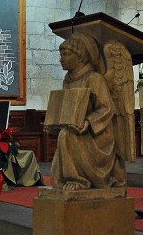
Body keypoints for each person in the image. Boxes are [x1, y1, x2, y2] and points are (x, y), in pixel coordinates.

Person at [50, 32, 126, 191]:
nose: (61, 59)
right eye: (60, 54)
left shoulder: (93, 78)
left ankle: (78, 180)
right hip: (79, 129)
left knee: (66, 135)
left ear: (80, 56)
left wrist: (88, 122)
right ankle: (67, 179)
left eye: (66, 54)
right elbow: (68, 107)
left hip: (98, 134)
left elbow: (106, 108)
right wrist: (55, 122)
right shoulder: (68, 79)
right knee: (64, 133)